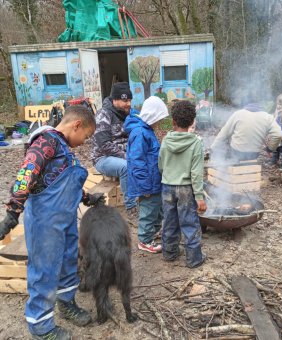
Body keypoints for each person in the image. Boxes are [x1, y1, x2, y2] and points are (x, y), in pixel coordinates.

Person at [0, 106, 104, 339]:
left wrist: (88, 198)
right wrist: (13, 212)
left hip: (65, 221)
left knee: (68, 264)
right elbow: (26, 174)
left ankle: (66, 304)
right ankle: (41, 327)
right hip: (45, 223)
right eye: (86, 136)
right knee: (44, 272)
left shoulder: (64, 148)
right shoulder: (45, 142)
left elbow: (63, 181)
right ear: (76, 124)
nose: (84, 142)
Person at [158, 100, 207, 268]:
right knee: (189, 222)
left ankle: (169, 253)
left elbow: (161, 165)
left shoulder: (165, 141)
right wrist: (199, 196)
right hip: (186, 188)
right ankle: (194, 258)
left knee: (169, 221)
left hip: (167, 186)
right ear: (192, 121)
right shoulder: (196, 143)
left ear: (173, 122)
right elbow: (197, 173)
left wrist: (168, 176)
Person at [124, 96, 169, 253]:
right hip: (147, 184)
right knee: (148, 211)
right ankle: (144, 240)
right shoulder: (140, 133)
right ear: (152, 116)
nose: (159, 123)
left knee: (157, 209)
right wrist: (145, 188)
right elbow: (137, 162)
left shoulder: (147, 131)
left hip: (153, 181)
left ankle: (152, 232)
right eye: (158, 119)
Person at [91, 82, 138, 223]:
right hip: (103, 158)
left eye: (129, 100)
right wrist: (127, 157)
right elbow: (104, 144)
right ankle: (131, 209)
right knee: (126, 166)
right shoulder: (103, 115)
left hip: (124, 155)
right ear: (114, 100)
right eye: (125, 100)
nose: (128, 104)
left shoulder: (128, 113)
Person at [210, 100, 282, 162]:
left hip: (236, 152)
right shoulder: (268, 117)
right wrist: (270, 149)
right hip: (254, 154)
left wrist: (213, 147)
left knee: (225, 145)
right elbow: (278, 134)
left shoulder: (238, 114)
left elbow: (224, 134)